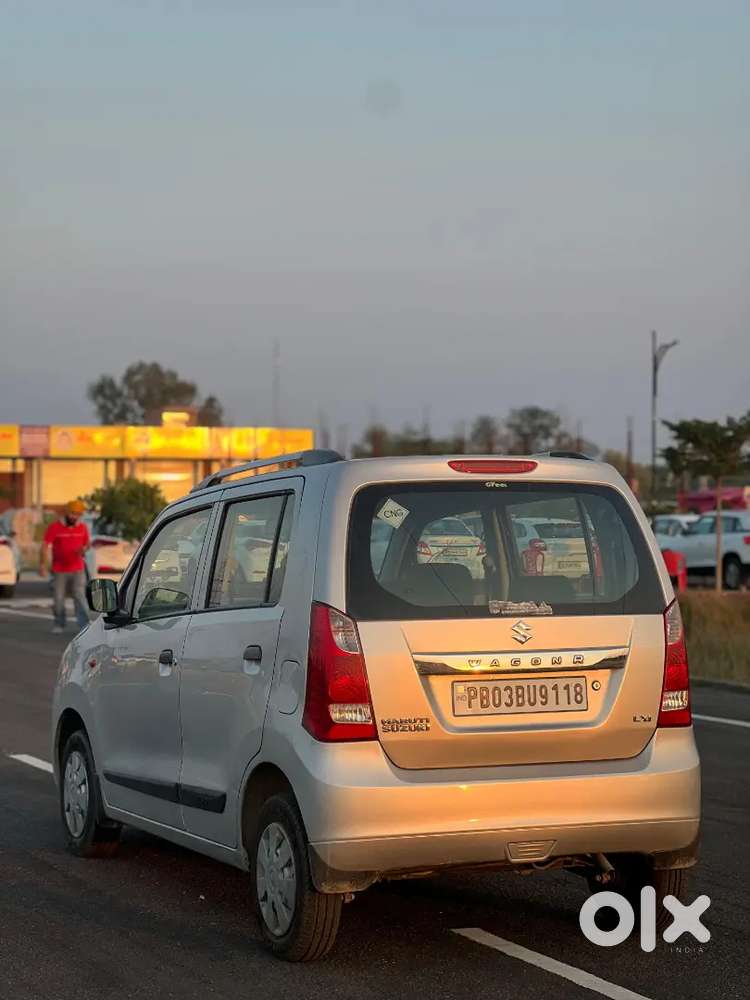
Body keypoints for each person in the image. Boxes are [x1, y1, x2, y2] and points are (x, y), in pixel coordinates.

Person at [40, 500, 90, 634]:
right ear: (67, 513)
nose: (75, 517)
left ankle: (84, 625)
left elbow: (87, 544)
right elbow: (45, 546)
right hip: (59, 569)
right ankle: (59, 624)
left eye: (78, 514)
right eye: (73, 513)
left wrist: (83, 549)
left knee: (79, 596)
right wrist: (43, 565)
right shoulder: (54, 527)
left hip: (78, 568)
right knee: (59, 598)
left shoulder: (82, 527)